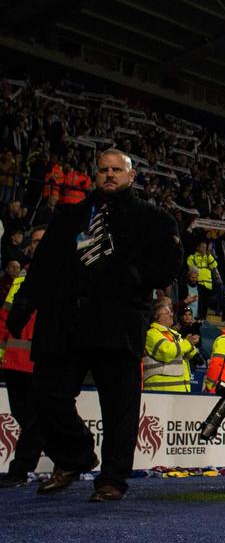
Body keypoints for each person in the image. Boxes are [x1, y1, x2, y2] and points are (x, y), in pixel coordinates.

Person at [5, 148, 182, 502]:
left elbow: (168, 264)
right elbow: (44, 266)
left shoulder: (154, 219)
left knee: (120, 406)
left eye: (117, 169)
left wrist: (132, 276)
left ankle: (113, 479)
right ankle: (75, 456)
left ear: (131, 176)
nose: (109, 175)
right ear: (94, 175)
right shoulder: (71, 217)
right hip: (66, 322)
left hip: (118, 323)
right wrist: (25, 303)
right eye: (103, 169)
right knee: (47, 393)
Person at [0, 229, 46, 488]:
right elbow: (4, 318)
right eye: (36, 241)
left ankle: (19, 470)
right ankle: (69, 457)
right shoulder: (21, 277)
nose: (38, 245)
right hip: (14, 360)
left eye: (43, 241)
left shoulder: (60, 275)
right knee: (25, 416)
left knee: (34, 419)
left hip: (40, 360)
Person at [143, 300, 200, 392]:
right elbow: (166, 351)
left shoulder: (173, 333)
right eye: (167, 312)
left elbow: (190, 352)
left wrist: (190, 343)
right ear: (157, 317)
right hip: (159, 391)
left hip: (179, 390)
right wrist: (188, 343)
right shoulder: (151, 334)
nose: (172, 315)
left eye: (171, 312)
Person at [186, 241, 218, 321]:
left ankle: (203, 319)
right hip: (198, 284)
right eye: (202, 247)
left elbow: (214, 265)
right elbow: (190, 265)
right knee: (199, 303)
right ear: (198, 248)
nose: (204, 249)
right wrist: (201, 258)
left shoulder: (208, 257)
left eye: (205, 247)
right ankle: (197, 318)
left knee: (205, 304)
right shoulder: (193, 257)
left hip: (207, 285)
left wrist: (208, 255)